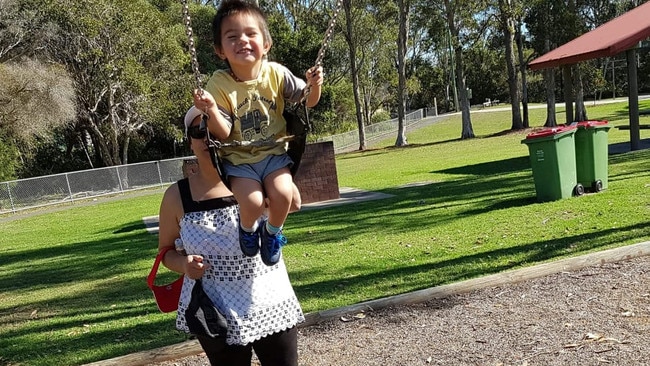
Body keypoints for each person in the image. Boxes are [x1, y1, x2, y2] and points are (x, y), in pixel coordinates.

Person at [156, 106, 305, 366]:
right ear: (190, 141)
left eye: (216, 128)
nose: (209, 137)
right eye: (199, 131)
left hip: (270, 301)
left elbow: (293, 203)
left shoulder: (257, 180)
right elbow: (165, 251)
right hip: (214, 309)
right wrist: (184, 265)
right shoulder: (176, 196)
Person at [192, 0, 323, 266]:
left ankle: (272, 233)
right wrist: (210, 111)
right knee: (251, 202)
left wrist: (314, 85)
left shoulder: (275, 73)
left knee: (285, 195)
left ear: (266, 44)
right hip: (239, 160)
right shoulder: (219, 83)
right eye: (232, 36)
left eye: (251, 34)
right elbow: (224, 132)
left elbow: (308, 100)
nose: (243, 40)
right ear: (220, 50)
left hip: (274, 154)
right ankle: (248, 229)